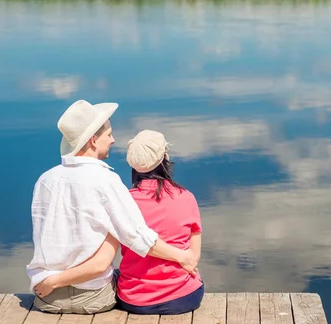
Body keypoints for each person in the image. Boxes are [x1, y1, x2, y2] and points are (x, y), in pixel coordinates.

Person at [27, 100, 198, 314]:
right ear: (93, 140)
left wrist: (53, 281)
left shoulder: (45, 180)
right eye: (109, 134)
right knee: (120, 267)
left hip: (47, 296)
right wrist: (182, 256)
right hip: (93, 299)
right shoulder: (106, 181)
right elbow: (137, 237)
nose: (113, 140)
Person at [115, 130, 204, 314]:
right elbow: (193, 258)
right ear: (165, 158)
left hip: (134, 300)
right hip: (184, 297)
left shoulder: (123, 202)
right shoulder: (186, 198)